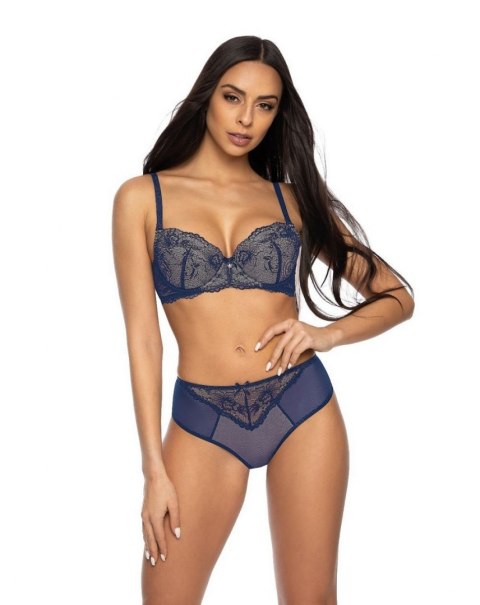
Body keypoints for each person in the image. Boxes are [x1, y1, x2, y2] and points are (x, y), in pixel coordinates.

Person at [112, 35, 415, 605]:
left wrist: (326, 334)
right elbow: (144, 340)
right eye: (233, 97)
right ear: (207, 96)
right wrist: (153, 469)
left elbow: (397, 295)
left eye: (265, 105)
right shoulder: (141, 199)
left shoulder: (290, 200)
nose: (246, 119)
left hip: (301, 406)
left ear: (278, 114)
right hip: (202, 417)